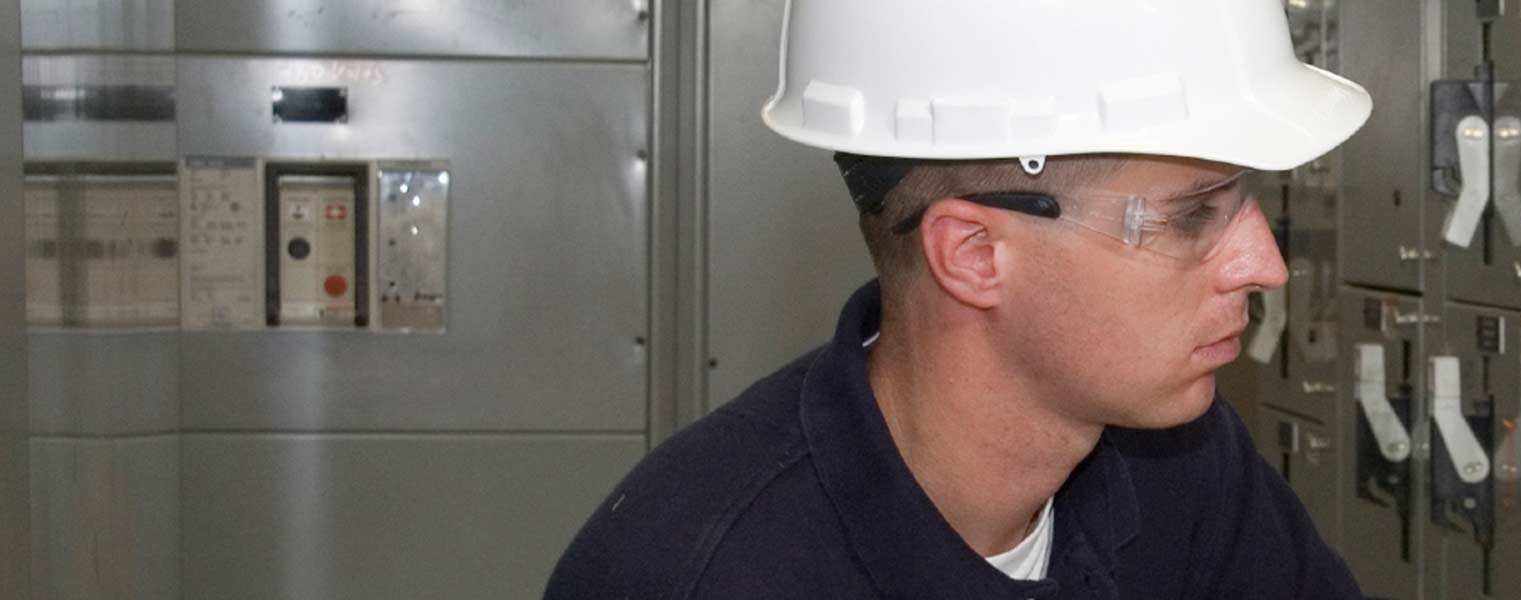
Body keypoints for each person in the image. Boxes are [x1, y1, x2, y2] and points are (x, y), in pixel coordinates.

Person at [542, 0, 1374, 598]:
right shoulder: (701, 569)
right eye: (1193, 215)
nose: (1266, 264)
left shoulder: (1181, 466)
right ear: (975, 255)